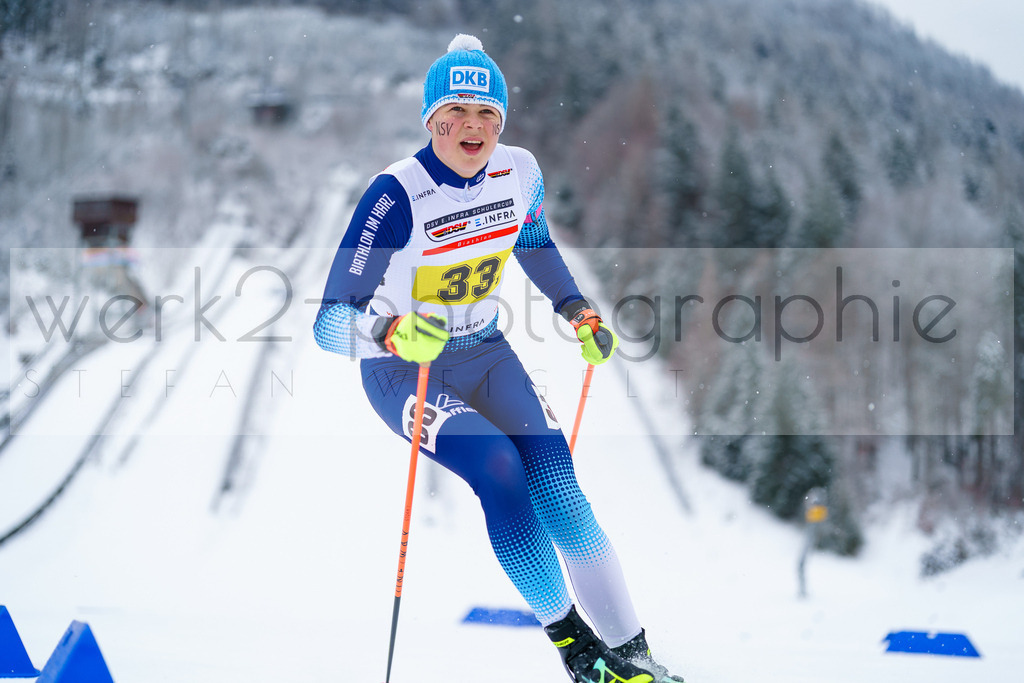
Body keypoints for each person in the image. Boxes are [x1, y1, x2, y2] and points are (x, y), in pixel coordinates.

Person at [314, 34, 684, 683]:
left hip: (488, 352)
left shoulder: (520, 172)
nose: (474, 126)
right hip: (406, 372)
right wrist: (392, 331)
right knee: (498, 467)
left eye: (488, 113)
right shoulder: (395, 195)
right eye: (456, 111)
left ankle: (633, 653)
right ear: (432, 120)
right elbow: (327, 323)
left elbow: (534, 244)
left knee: (562, 493)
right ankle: (578, 650)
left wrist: (579, 310)